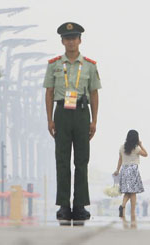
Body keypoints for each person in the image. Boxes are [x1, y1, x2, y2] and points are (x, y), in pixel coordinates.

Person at [44, 22, 101, 224]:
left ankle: (80, 205)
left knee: (81, 161)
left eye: (74, 38)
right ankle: (64, 205)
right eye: (67, 38)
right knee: (62, 160)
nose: (71, 42)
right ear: (62, 41)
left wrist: (94, 120)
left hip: (82, 113)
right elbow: (49, 92)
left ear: (80, 40)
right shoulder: (54, 65)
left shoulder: (90, 66)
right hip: (61, 113)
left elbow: (94, 93)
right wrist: (50, 118)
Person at [114, 130, 148, 222]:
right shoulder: (136, 148)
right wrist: (140, 144)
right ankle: (133, 212)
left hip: (124, 170)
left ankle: (123, 205)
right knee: (133, 192)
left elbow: (120, 160)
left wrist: (117, 170)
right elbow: (146, 154)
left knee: (128, 192)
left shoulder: (122, 147)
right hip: (133, 170)